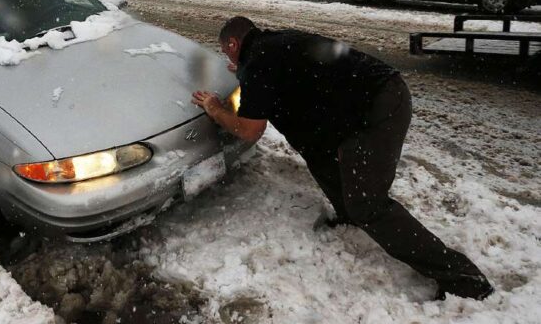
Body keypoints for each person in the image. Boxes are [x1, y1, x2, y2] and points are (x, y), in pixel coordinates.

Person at [191, 16, 493, 300]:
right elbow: (274, 69)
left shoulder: (259, 63)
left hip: (377, 108)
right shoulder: (271, 46)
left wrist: (216, 109)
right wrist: (245, 70)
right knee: (320, 155)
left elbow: (250, 131)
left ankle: (463, 279)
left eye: (227, 52)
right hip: (377, 94)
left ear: (232, 44)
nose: (229, 59)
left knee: (369, 204)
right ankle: (348, 215)